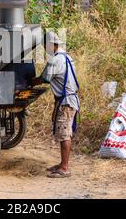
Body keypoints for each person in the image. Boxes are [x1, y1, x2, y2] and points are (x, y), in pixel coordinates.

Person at [31, 31, 80, 178]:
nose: (45, 49)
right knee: (64, 132)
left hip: (65, 102)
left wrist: (30, 81)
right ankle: (61, 164)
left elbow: (44, 79)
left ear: (51, 45)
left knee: (64, 135)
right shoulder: (67, 58)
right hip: (70, 100)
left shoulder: (55, 61)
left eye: (46, 46)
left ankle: (64, 168)